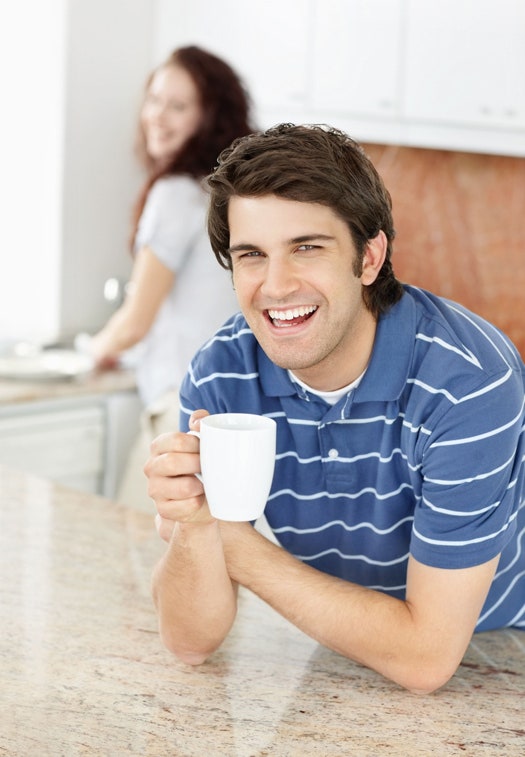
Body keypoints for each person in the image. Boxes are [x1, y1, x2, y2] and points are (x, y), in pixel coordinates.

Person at [144, 123, 525, 693]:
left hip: (498, 655)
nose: (275, 286)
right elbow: (189, 643)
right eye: (251, 255)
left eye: (307, 248)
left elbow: (425, 660)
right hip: (342, 643)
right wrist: (196, 527)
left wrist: (236, 547)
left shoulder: (466, 381)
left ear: (369, 257)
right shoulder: (223, 372)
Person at [88, 46, 254, 508]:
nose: (157, 117)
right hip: (239, 413)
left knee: (137, 555)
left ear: (210, 117)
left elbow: (135, 321)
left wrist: (90, 353)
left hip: (182, 413)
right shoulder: (233, 194)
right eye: (154, 100)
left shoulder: (175, 193)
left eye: (178, 107)